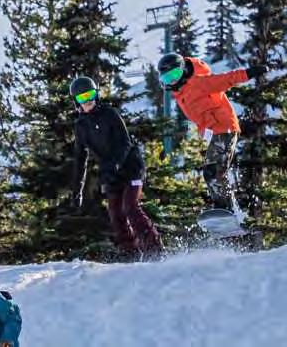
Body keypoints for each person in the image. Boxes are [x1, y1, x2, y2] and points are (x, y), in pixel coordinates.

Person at [156, 53, 269, 212]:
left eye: (175, 75)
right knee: (211, 173)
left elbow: (226, 79)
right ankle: (229, 209)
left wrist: (250, 72)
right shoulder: (180, 94)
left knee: (213, 171)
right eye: (167, 79)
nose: (172, 81)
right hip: (214, 133)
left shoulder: (199, 82)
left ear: (184, 70)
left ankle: (226, 209)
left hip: (224, 127)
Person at [70, 76, 163, 260]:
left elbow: (125, 143)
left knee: (130, 207)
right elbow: (80, 160)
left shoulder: (109, 114)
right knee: (115, 214)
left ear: (96, 95)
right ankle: (130, 254)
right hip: (111, 174)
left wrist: (115, 164)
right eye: (82, 98)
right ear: (76, 102)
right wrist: (77, 191)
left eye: (90, 95)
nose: (87, 101)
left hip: (131, 168)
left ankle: (155, 250)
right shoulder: (81, 126)